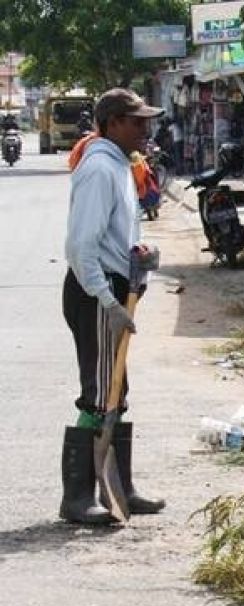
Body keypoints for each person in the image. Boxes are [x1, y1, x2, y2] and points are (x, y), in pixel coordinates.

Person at [60, 88, 166, 525]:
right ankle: (78, 497)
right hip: (95, 293)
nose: (145, 129)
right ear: (112, 123)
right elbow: (81, 247)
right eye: (136, 121)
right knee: (100, 394)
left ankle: (120, 487)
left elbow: (112, 235)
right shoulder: (100, 168)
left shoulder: (122, 165)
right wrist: (108, 301)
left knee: (115, 389)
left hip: (114, 288)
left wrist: (137, 252)